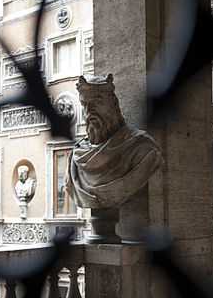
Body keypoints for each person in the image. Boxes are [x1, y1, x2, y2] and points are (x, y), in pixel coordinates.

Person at [66, 74, 162, 209]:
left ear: (113, 104)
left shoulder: (142, 148)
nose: (89, 111)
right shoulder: (76, 157)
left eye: (97, 103)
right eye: (85, 104)